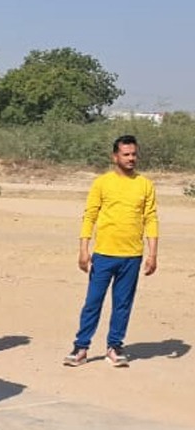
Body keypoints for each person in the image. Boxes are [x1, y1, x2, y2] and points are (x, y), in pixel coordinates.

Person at [64, 135, 158, 368]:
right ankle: (81, 346)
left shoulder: (145, 184)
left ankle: (115, 346)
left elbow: (151, 219)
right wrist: (83, 250)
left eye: (134, 154)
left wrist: (152, 254)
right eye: (126, 154)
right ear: (115, 156)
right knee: (93, 301)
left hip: (132, 256)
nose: (131, 158)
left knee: (122, 303)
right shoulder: (102, 183)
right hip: (104, 255)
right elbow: (90, 216)